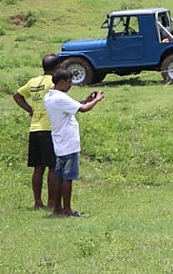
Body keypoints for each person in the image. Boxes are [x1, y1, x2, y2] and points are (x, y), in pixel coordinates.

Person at [44, 69, 105, 217]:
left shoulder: (49, 97)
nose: (71, 85)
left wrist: (85, 99)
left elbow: (74, 106)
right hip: (69, 142)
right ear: (62, 82)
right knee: (68, 178)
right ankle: (67, 209)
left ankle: (57, 208)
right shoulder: (60, 98)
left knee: (59, 177)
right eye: (69, 82)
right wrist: (97, 99)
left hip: (59, 141)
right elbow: (82, 110)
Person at [13, 54, 61, 210]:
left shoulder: (33, 82)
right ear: (58, 67)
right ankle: (52, 203)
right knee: (53, 166)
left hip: (35, 128)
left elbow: (17, 96)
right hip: (49, 128)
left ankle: (38, 202)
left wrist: (31, 110)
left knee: (38, 167)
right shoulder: (54, 82)